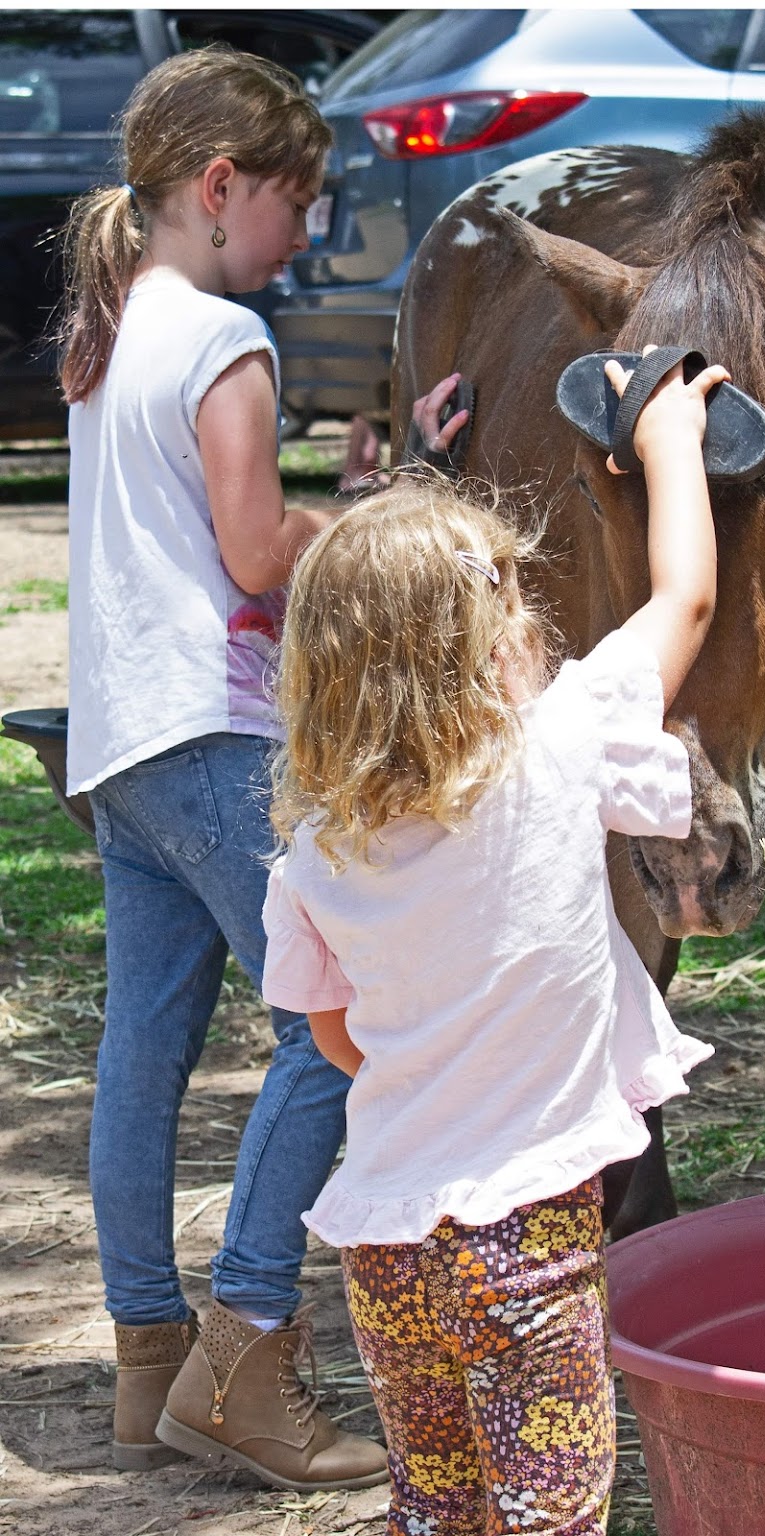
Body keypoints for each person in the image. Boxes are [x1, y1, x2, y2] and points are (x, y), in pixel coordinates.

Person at [255, 352, 726, 1532]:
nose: (532, 621)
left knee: (442, 1505)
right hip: (529, 1236)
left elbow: (335, 1035)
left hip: (385, 1248)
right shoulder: (555, 753)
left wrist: (447, 1056)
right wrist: (669, 444)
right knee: (551, 1508)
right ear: (480, 649)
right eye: (509, 605)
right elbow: (686, 604)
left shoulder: (315, 847)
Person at [58, 47, 402, 1490]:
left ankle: (151, 1362)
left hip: (116, 740)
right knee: (339, 1021)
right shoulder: (226, 337)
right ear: (220, 186)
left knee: (146, 1039)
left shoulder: (114, 324)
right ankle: (249, 1353)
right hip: (214, 726)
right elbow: (258, 555)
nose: (307, 230)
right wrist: (377, 535)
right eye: (298, 198)